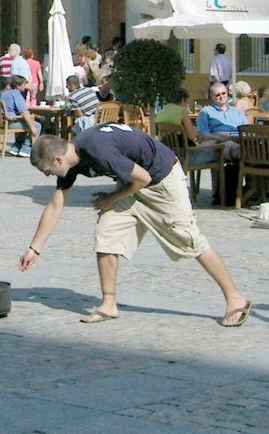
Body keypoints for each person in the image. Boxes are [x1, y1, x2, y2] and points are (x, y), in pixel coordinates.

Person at [19, 127, 251, 327]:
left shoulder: (97, 149)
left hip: (162, 182)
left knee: (190, 241)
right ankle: (109, 304)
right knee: (107, 233)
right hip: (132, 184)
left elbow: (144, 178)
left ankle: (235, 299)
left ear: (57, 160)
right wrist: (34, 249)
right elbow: (55, 205)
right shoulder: (73, 160)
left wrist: (112, 198)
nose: (48, 175)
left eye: (46, 170)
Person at [197, 82, 247, 162]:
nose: (221, 96)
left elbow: (246, 130)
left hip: (240, 139)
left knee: (259, 149)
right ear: (212, 97)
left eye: (223, 93)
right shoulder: (206, 111)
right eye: (218, 95)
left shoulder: (238, 111)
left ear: (227, 93)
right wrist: (219, 137)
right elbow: (202, 134)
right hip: (220, 142)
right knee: (237, 148)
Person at [0, 75, 41, 158]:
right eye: (24, 84)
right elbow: (24, 112)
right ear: (18, 85)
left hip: (3, 121)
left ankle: (15, 148)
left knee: (25, 123)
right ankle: (26, 149)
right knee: (37, 125)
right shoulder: (16, 94)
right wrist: (32, 127)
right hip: (11, 122)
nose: (25, 86)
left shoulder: (4, 94)